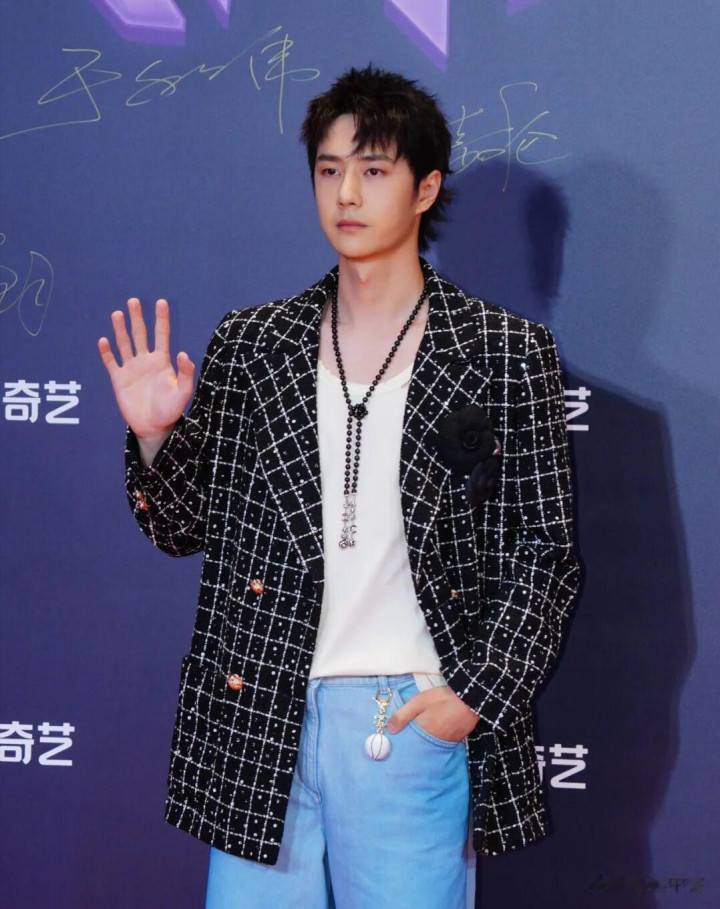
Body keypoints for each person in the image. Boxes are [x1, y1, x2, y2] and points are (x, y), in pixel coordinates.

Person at [98, 64, 581, 909]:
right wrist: (153, 435)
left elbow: (545, 552)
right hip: (262, 721)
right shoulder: (254, 344)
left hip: (410, 723)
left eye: (374, 169)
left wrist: (470, 699)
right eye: (329, 170)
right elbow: (181, 526)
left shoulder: (504, 352)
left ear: (425, 188)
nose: (346, 194)